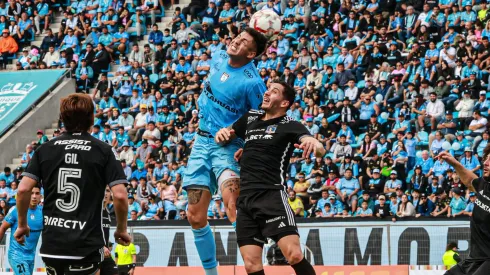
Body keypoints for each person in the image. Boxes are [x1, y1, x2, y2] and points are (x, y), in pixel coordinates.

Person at [14, 94, 131, 275]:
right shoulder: (103, 150)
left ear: (62, 119)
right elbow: (121, 195)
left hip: (52, 248)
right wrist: (121, 229)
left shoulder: (44, 149)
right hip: (86, 247)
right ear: (92, 118)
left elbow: (22, 190)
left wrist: (22, 224)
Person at [182, 28, 268, 275]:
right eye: (237, 38)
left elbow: (261, 117)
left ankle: (255, 269)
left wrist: (231, 130)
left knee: (234, 207)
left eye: (243, 43)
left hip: (228, 147)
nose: (235, 42)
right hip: (200, 143)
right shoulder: (219, 56)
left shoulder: (253, 83)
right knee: (195, 216)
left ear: (252, 54)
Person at [215, 81, 324, 275]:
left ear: (284, 103)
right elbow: (227, 135)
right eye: (267, 90)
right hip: (246, 199)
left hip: (271, 195)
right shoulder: (251, 118)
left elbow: (317, 147)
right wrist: (221, 134)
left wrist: (313, 142)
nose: (266, 93)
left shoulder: (290, 125)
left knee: (294, 255)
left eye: (273, 92)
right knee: (251, 265)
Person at [438, 149, 490, 275]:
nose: (486, 163)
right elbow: (469, 180)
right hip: (473, 260)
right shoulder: (485, 185)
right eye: (486, 159)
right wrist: (455, 163)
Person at [0, 185, 42, 275]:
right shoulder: (16, 210)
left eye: (37, 193)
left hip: (31, 256)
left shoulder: (42, 212)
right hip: (16, 255)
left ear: (41, 196)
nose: (34, 196)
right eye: (31, 193)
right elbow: (2, 228)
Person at [100, 187, 118, 275]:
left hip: (106, 253)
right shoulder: (93, 211)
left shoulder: (107, 211)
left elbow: (104, 232)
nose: (105, 193)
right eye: (103, 190)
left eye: (107, 191)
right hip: (94, 252)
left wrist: (108, 244)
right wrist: (101, 246)